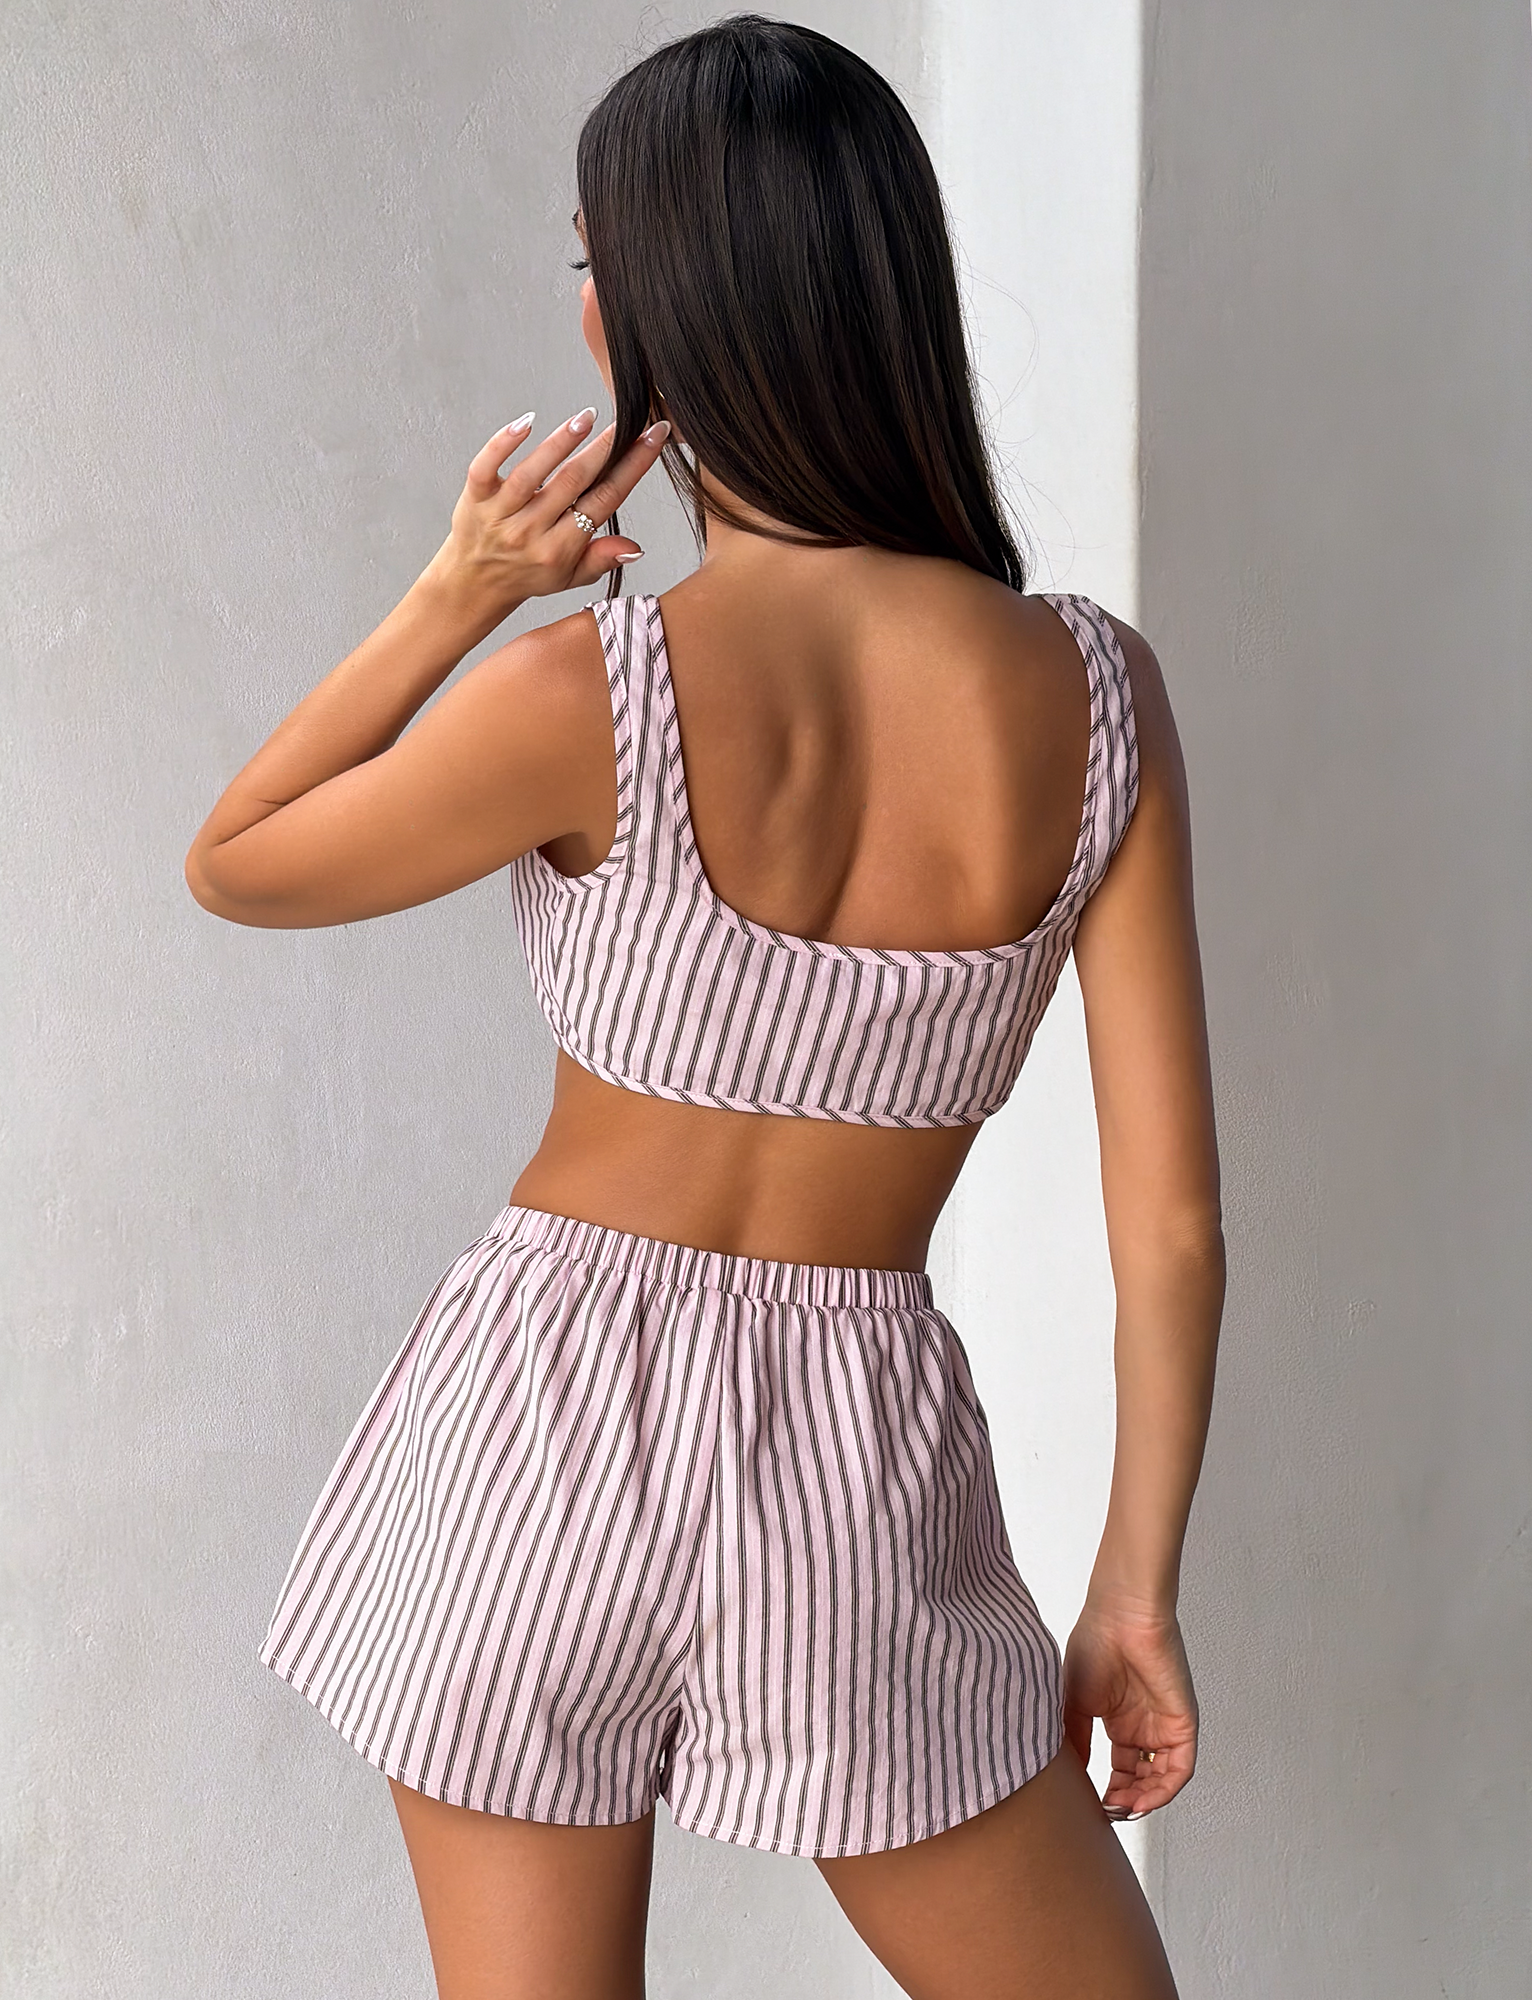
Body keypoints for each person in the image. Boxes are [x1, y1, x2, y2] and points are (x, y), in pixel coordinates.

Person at [185, 17, 1223, 1998]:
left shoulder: (595, 688)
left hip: (531, 1431)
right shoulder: (1093, 699)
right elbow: (1167, 1225)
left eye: (594, 263)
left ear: (658, 312)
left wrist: (452, 591)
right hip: (855, 1464)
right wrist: (1133, 1585)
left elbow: (240, 857)